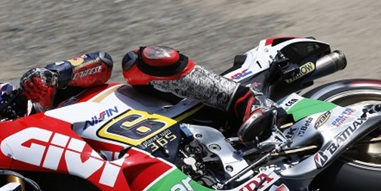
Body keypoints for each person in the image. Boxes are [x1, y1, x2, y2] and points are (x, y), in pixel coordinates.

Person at [20, 46, 283, 141]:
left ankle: (244, 100)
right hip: (140, 145)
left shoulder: (55, 92)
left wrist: (57, 74)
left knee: (137, 60)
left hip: (163, 105)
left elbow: (101, 63)